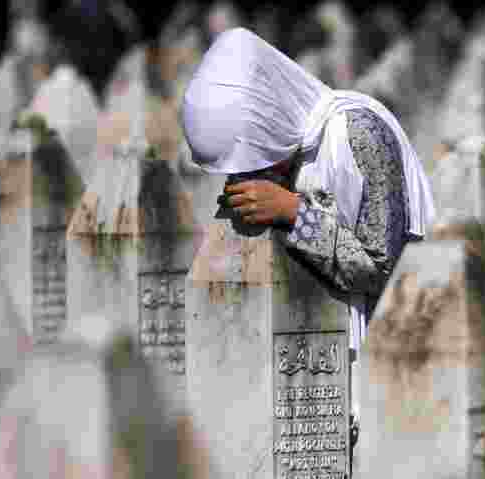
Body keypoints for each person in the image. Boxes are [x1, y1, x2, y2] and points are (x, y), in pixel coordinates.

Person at [180, 27, 434, 445]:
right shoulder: (294, 151)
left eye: (251, 161)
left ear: (271, 119)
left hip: (388, 359)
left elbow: (384, 270)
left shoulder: (356, 135)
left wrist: (294, 212)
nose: (247, 176)